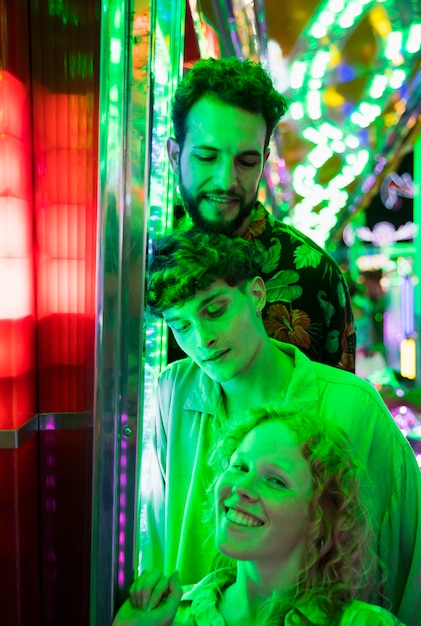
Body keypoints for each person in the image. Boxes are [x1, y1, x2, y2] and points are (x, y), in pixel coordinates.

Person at [141, 229, 421, 625]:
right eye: (181, 326)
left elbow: (406, 548)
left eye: (215, 310)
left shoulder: (350, 404)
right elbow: (157, 525)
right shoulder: (175, 388)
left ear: (255, 294)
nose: (202, 340)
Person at [115, 409, 405, 625]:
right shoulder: (170, 616)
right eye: (240, 467)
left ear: (320, 519)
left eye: (275, 480)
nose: (241, 487)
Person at [166, 56, 355, 372]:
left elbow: (339, 413)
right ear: (175, 156)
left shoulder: (316, 276)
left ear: (264, 161)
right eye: (207, 157)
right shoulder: (145, 267)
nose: (226, 181)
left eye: (246, 162)